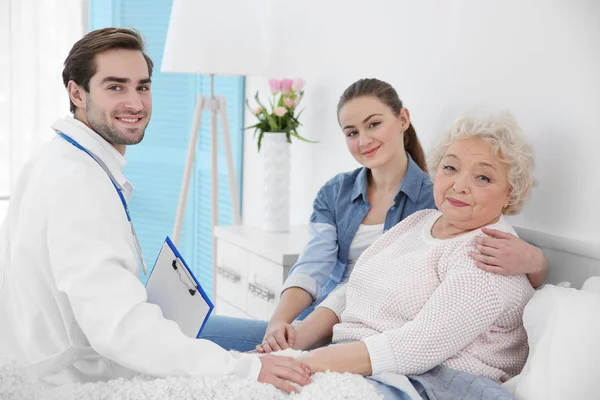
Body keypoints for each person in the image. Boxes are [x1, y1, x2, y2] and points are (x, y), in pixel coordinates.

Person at [0, 27, 311, 393]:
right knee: (291, 344)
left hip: (83, 345)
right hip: (79, 373)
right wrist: (246, 371)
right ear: (76, 93)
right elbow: (118, 328)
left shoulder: (63, 156)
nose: (135, 103)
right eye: (115, 87)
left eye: (142, 87)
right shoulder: (77, 181)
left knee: (284, 334)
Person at [199, 78, 548, 354]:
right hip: (326, 314)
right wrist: (280, 322)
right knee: (198, 332)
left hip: (372, 337)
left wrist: (537, 261)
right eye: (351, 132)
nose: (363, 140)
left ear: (403, 120)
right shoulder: (336, 193)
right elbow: (313, 266)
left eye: (374, 124)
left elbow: (495, 257)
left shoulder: (438, 200)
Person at [263, 112, 537, 399]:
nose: (460, 185)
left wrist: (301, 362)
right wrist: (298, 337)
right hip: (351, 355)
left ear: (510, 192)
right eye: (451, 168)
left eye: (483, 177)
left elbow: (416, 347)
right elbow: (355, 288)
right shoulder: (421, 220)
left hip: (418, 381)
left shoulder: (489, 256)